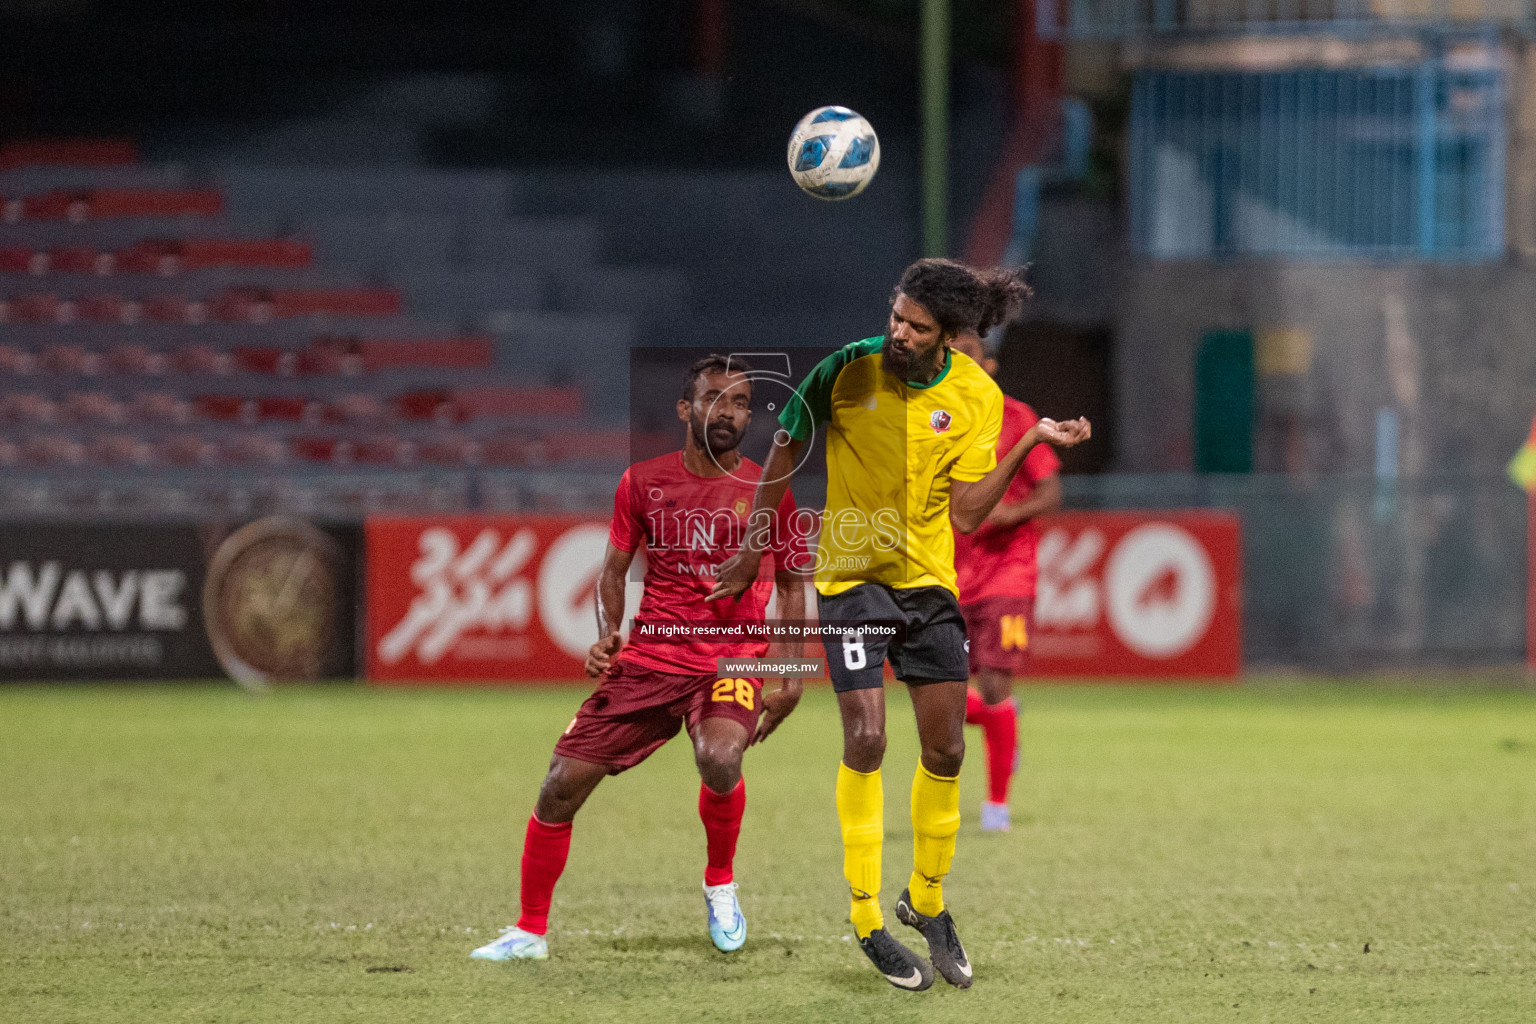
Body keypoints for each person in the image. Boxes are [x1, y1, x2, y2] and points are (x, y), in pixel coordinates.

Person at [709, 259, 1090, 991]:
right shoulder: (847, 370)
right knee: (867, 737)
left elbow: (970, 513)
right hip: (851, 575)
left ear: (950, 336)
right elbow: (784, 450)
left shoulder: (975, 393)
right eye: (896, 315)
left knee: (946, 749)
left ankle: (928, 901)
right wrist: (753, 546)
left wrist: (1028, 442)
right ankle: (864, 916)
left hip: (928, 584)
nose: (898, 332)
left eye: (916, 326)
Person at [472, 355, 808, 962]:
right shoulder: (642, 483)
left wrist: (789, 672)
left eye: (739, 402)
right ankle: (528, 931)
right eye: (714, 399)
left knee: (720, 756)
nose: (728, 412)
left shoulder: (768, 491)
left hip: (729, 658)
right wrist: (607, 632)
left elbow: (789, 584)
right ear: (686, 409)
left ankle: (720, 882)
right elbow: (612, 571)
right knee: (558, 787)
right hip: (651, 659)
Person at [948, 329, 1062, 834]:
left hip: (1007, 574)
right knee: (936, 691)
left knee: (994, 680)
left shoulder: (1016, 418)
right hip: (948, 574)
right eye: (950, 354)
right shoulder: (935, 421)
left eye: (968, 354)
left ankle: (997, 806)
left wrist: (1011, 512)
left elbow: (1051, 491)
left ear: (989, 365)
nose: (958, 361)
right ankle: (1005, 729)